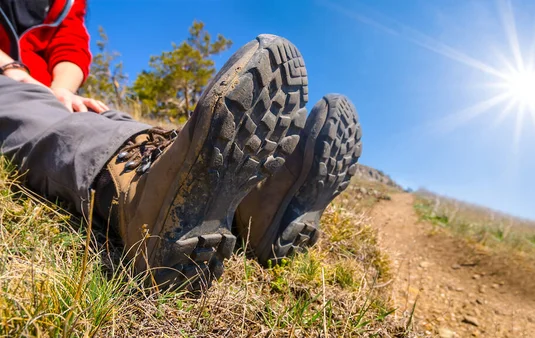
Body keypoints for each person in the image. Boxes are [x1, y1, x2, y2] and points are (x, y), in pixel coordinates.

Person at [0, 0, 363, 289]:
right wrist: (15, 72)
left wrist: (61, 89)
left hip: (44, 86)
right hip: (9, 82)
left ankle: (253, 206)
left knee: (115, 121)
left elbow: (70, 45)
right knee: (39, 115)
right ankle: (137, 195)